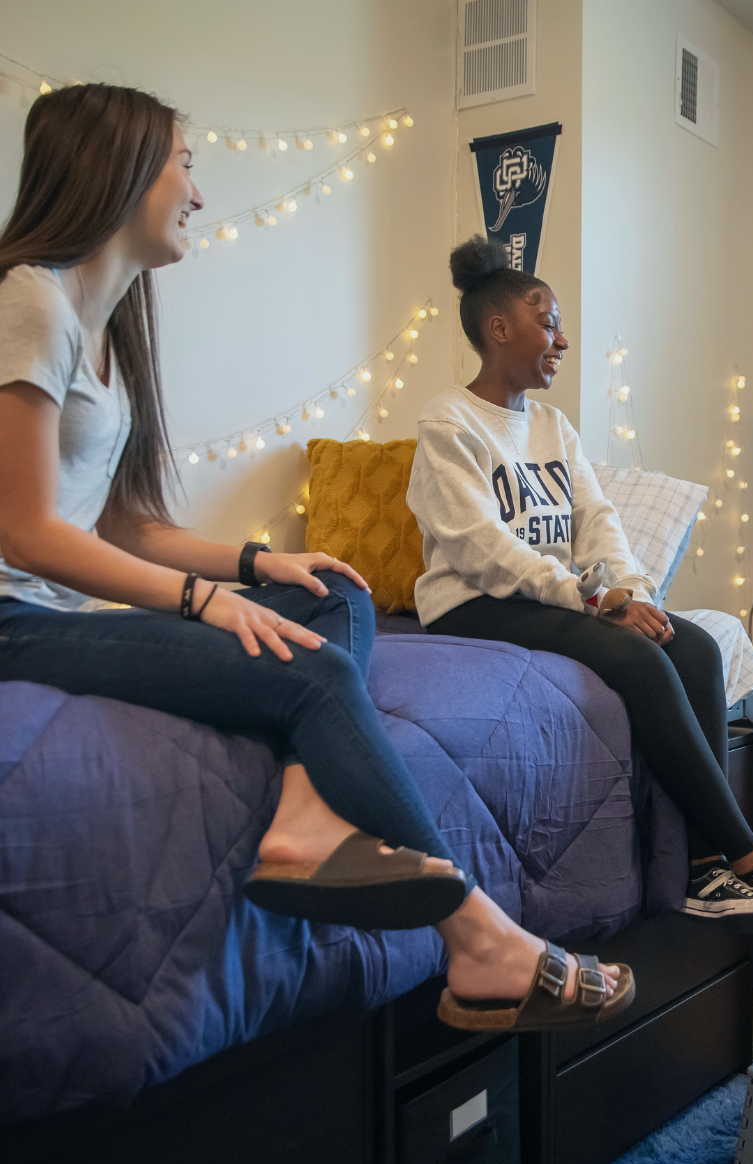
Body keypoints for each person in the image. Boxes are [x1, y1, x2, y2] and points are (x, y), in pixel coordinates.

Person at [0, 83, 632, 1034]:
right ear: (119, 169)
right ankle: (483, 940)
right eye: (185, 163)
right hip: (18, 623)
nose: (198, 194)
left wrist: (255, 566)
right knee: (314, 676)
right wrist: (202, 603)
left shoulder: (108, 328)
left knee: (338, 595)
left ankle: (304, 817)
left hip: (68, 609)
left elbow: (124, 519)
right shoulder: (30, 304)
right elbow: (29, 534)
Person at [406, 235, 753, 947]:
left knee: (694, 646)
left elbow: (598, 522)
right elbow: (478, 548)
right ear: (498, 328)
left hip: (558, 596)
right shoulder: (448, 422)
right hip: (478, 605)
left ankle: (705, 872)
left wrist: (633, 590)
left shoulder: (553, 425)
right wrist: (590, 599)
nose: (563, 338)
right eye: (547, 320)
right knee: (640, 664)